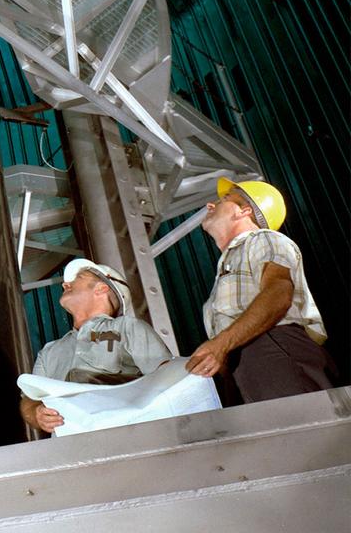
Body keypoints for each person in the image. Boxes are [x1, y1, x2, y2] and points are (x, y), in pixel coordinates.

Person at [185, 178, 336, 404]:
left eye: (224, 199)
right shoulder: (231, 261)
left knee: (300, 431)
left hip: (273, 347)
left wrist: (221, 344)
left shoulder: (264, 239)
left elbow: (278, 292)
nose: (210, 205)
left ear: (244, 211)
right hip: (242, 360)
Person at [19, 258, 172, 433]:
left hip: (127, 436)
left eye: (79, 277)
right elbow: (29, 400)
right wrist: (36, 413)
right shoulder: (49, 352)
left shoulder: (126, 328)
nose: (64, 284)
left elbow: (167, 376)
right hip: (72, 448)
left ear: (101, 288)